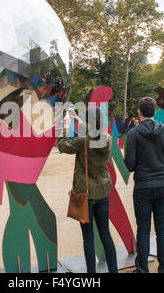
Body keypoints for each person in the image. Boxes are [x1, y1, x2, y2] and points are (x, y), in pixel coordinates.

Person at [57, 106, 118, 273]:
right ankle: (114, 270)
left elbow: (62, 146)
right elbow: (95, 133)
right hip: (103, 191)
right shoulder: (107, 139)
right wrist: (80, 122)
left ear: (90, 122)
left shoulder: (82, 141)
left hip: (86, 194)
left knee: (88, 238)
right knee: (106, 235)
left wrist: (65, 126)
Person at [124, 97, 164, 273]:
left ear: (139, 112)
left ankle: (142, 269)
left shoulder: (133, 134)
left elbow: (130, 165)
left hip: (143, 186)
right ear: (154, 111)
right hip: (163, 184)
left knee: (143, 228)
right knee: (162, 227)